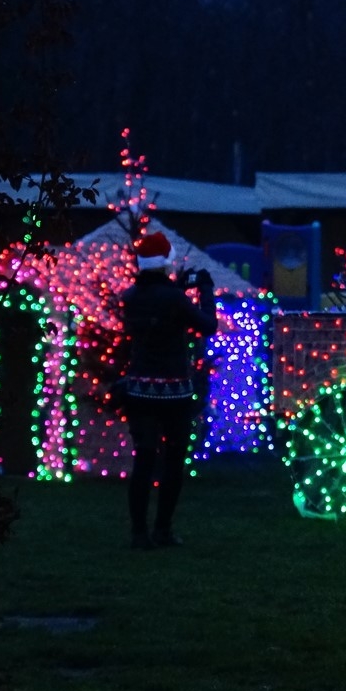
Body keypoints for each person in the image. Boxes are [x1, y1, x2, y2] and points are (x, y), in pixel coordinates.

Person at [118, 230, 218, 550]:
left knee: (143, 461)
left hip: (139, 390)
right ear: (166, 263)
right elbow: (208, 326)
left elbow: (155, 307)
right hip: (175, 392)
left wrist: (176, 289)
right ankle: (163, 529)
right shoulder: (175, 299)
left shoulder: (131, 297)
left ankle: (138, 533)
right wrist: (205, 290)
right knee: (173, 462)